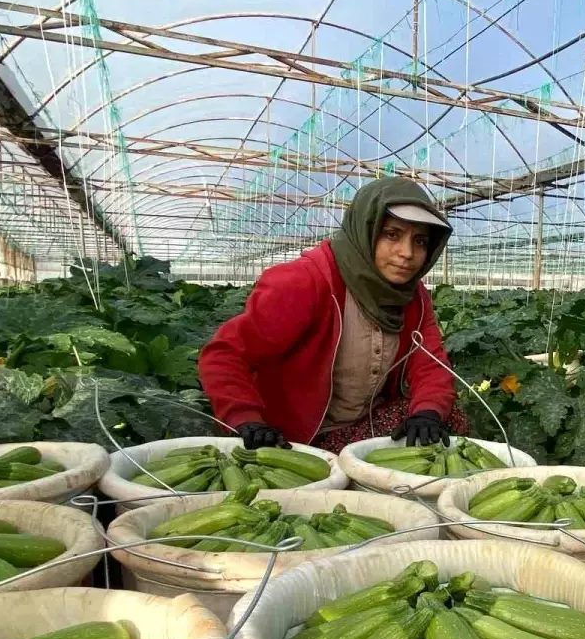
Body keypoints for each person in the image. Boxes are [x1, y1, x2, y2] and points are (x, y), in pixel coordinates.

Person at [199, 176, 466, 452]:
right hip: (291, 438)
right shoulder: (305, 282)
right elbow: (225, 354)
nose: (407, 253)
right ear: (366, 229)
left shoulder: (413, 296)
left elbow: (430, 364)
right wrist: (245, 419)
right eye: (392, 235)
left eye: (420, 241)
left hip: (364, 424)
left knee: (447, 417)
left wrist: (428, 411)